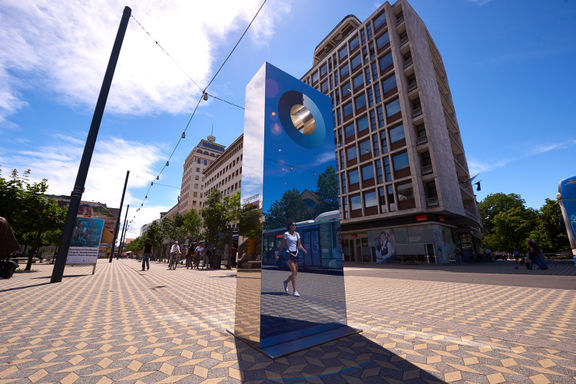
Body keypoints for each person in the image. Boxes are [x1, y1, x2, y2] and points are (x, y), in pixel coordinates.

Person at [276, 221, 307, 297]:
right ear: (290, 226)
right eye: (293, 225)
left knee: (295, 273)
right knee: (293, 271)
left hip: (296, 253)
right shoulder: (286, 234)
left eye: (295, 225)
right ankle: (295, 291)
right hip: (289, 253)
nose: (294, 226)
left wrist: (303, 249)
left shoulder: (297, 234)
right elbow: (282, 244)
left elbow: (299, 245)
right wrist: (278, 253)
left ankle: (286, 282)